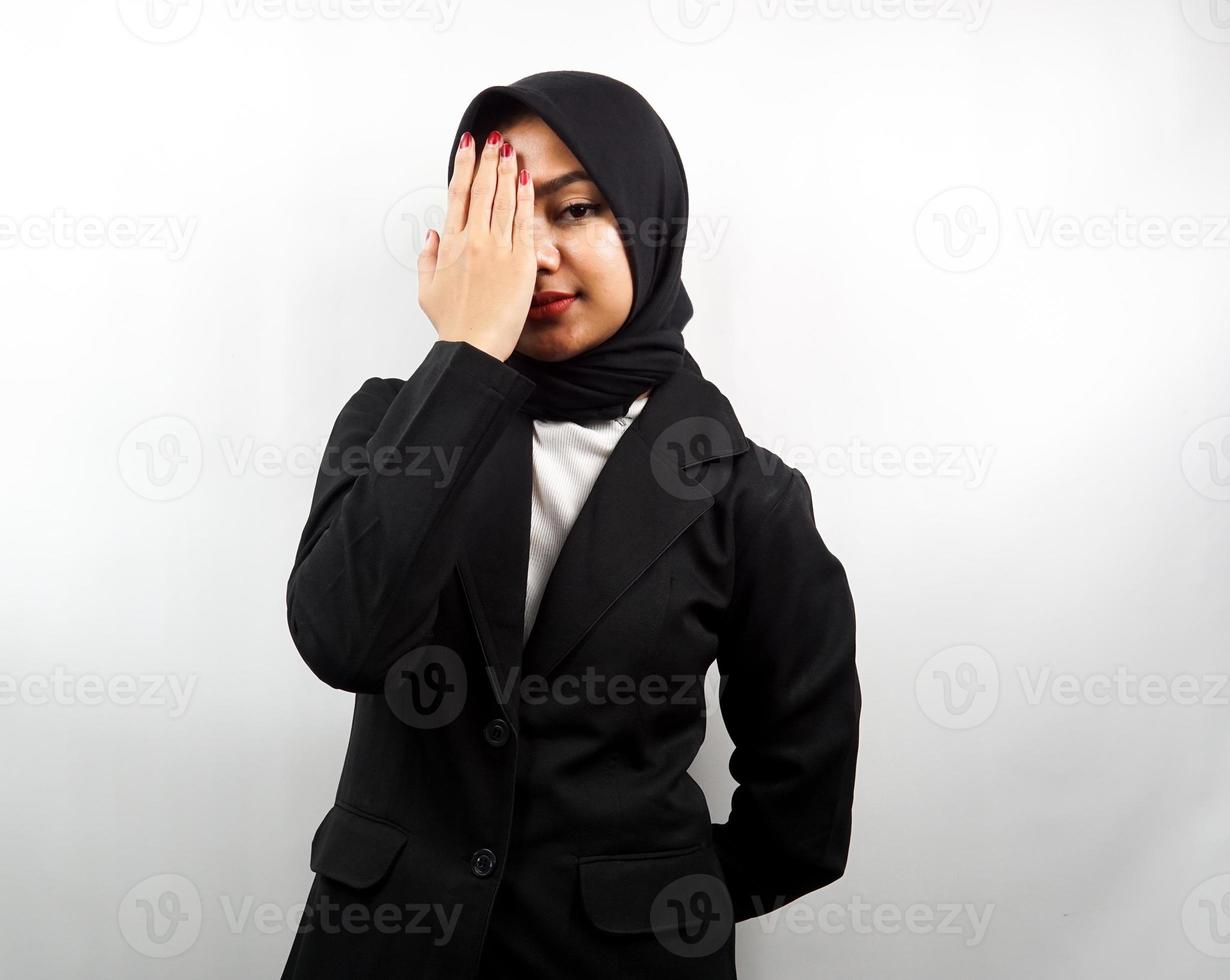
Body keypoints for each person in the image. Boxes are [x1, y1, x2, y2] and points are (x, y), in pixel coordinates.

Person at [281, 70, 861, 980]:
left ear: (648, 219)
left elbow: (805, 815)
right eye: (502, 222)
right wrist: (466, 355)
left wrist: (658, 902)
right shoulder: (390, 426)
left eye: (577, 208)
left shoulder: (749, 495)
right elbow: (343, 640)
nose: (536, 257)